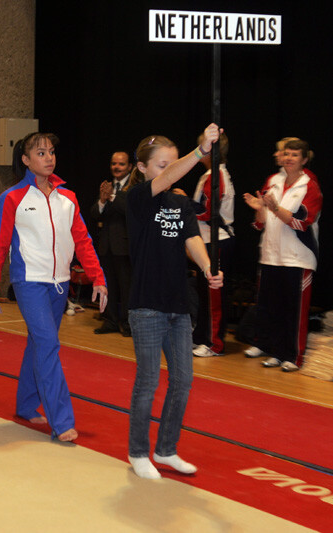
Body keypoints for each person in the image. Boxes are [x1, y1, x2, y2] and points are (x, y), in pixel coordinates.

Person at [0, 132, 108, 442]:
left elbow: (82, 240)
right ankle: (61, 421)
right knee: (48, 344)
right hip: (29, 282)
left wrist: (98, 277)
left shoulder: (68, 198)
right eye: (41, 153)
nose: (49, 157)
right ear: (26, 160)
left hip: (60, 283)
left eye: (51, 152)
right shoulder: (12, 197)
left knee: (39, 344)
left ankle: (26, 404)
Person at [125, 127, 224, 480]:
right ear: (142, 168)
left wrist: (208, 266)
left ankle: (166, 449)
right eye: (162, 164)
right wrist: (200, 151)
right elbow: (168, 178)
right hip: (147, 306)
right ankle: (138, 452)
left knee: (182, 381)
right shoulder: (137, 197)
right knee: (148, 381)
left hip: (177, 306)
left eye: (172, 163)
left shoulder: (180, 203)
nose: (169, 171)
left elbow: (192, 238)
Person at [243, 138, 322, 372]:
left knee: (294, 312)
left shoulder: (310, 186)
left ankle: (293, 356)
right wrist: (260, 209)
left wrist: (275, 208)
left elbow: (301, 222)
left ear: (304, 160)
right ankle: (276, 352)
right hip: (271, 255)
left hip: (297, 257)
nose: (289, 158)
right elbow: (261, 223)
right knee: (272, 308)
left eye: (295, 155)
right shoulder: (273, 181)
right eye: (286, 154)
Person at [186, 132, 234, 357]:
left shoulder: (217, 175)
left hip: (218, 241)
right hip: (207, 240)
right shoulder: (210, 174)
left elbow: (208, 212)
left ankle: (215, 343)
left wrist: (183, 203)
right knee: (205, 293)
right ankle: (201, 336)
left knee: (214, 293)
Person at [90, 151, 133, 336]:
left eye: (121, 164)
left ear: (130, 167)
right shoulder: (107, 186)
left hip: (125, 247)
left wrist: (112, 197)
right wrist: (102, 200)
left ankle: (128, 324)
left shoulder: (134, 186)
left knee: (126, 288)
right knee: (108, 287)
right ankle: (111, 321)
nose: (116, 167)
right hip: (106, 246)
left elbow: (129, 210)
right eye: (114, 163)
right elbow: (94, 214)